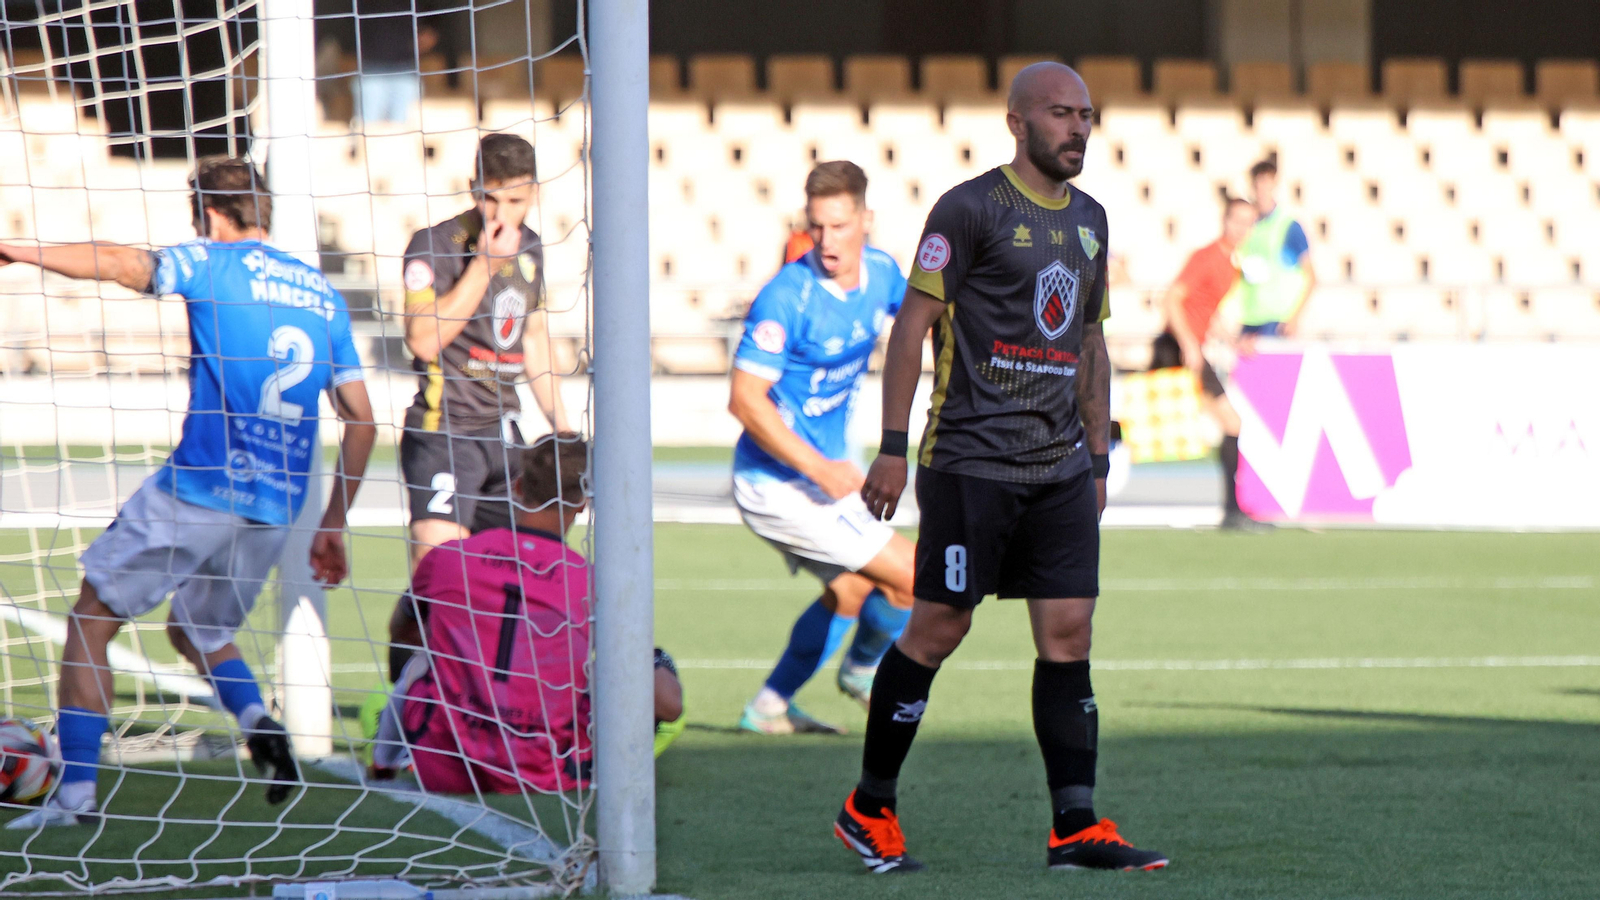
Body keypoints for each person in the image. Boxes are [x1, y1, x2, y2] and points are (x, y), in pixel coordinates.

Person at [835, 63, 1168, 874]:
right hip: (971, 460)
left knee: (1069, 633)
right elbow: (913, 327)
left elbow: (1088, 343)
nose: (1079, 128)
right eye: (1061, 113)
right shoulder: (970, 208)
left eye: (1086, 114)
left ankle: (1075, 826)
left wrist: (1095, 456)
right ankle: (868, 807)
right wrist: (889, 445)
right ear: (1017, 122)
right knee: (940, 627)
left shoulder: (1092, 220)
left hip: (1057, 467)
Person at [0, 157, 376, 828]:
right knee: (197, 630)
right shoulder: (323, 294)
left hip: (200, 488)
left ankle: (76, 797)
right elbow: (363, 421)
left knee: (92, 619)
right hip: (276, 509)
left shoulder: (211, 261)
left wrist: (20, 250)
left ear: (210, 216)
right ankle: (261, 724)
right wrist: (332, 524)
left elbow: (121, 262)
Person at [371, 434, 686, 792]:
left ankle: (384, 764)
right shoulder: (593, 582)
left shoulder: (448, 558)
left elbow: (402, 632)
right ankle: (622, 777)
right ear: (583, 502)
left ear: (517, 487)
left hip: (446, 766)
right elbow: (668, 705)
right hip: (545, 770)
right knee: (648, 668)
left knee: (422, 661)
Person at [728, 161, 917, 735]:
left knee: (856, 587)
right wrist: (821, 469)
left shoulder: (883, 274)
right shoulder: (787, 297)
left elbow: (922, 326)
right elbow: (744, 400)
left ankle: (767, 707)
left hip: (829, 476)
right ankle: (863, 671)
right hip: (776, 482)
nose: (828, 242)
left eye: (839, 226)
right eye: (818, 227)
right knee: (912, 574)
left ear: (866, 220)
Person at [397, 133, 568, 574]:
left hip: (503, 434)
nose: (501, 214)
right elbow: (422, 341)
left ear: (533, 193)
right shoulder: (435, 244)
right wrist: (485, 266)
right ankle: (416, 643)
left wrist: (562, 428)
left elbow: (533, 338)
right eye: (490, 199)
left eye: (515, 201)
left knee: (527, 566)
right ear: (474, 186)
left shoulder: (531, 248)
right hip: (444, 432)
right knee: (439, 568)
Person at [1149, 197, 1267, 530]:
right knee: (1226, 423)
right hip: (1176, 348)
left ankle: (1233, 509)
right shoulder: (1207, 257)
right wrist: (1188, 344)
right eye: (1237, 221)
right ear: (1225, 221)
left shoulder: (1231, 264)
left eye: (1249, 222)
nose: (1243, 228)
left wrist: (1232, 339)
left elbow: (1204, 310)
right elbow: (1172, 298)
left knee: (1224, 423)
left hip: (1190, 347)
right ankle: (1232, 511)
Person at [1237, 158, 1314, 341]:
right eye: (1258, 183)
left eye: (1266, 183)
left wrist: (1295, 318)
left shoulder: (1288, 226)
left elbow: (1311, 276)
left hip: (1277, 319)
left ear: (1274, 184)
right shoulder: (1248, 226)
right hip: (1250, 317)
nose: (1261, 190)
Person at [352, 0, 437, 125]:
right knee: (368, 129)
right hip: (371, 71)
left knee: (405, 130)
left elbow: (433, 18)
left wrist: (428, 35)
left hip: (405, 70)